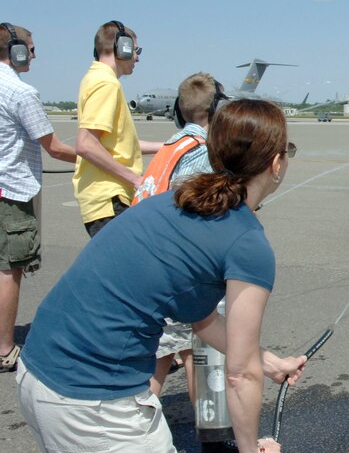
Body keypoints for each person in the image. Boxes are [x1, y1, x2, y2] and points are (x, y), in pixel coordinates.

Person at [18, 99, 305, 453]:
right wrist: (250, 449)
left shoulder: (178, 201)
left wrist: (269, 361)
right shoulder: (246, 241)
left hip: (39, 374)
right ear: (276, 164)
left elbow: (202, 319)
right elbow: (240, 375)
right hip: (93, 401)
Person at [132, 72, 225, 406]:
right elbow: (202, 210)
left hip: (150, 266)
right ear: (216, 108)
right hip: (179, 272)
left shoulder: (173, 145)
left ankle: (139, 430)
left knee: (171, 353)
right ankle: (209, 432)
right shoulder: (201, 152)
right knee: (200, 353)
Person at [0, 22, 76, 373]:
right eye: (30, 48)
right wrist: (105, 160)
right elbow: (55, 148)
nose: (33, 54)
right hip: (10, 192)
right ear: (15, 50)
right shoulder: (19, 92)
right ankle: (4, 349)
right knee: (8, 269)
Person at [73, 20, 162, 238]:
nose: (137, 57)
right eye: (135, 50)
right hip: (110, 198)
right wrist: (135, 179)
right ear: (122, 47)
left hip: (107, 198)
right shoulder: (106, 84)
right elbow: (85, 144)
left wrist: (168, 145)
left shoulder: (96, 78)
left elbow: (119, 145)